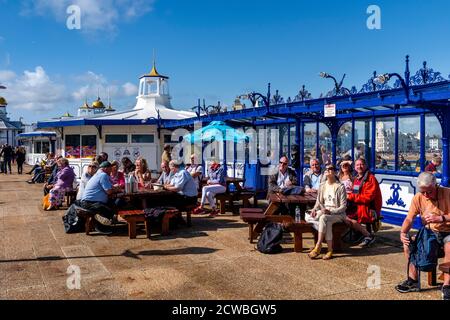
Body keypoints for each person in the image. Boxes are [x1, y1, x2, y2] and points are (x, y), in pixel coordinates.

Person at [395, 172, 450, 300]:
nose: (426, 195)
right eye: (423, 192)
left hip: (448, 231)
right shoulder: (418, 197)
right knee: (408, 243)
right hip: (430, 232)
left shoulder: (447, 193)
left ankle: (447, 285)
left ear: (436, 185)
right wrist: (403, 233)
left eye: (429, 192)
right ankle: (412, 280)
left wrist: (440, 218)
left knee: (449, 246)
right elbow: (409, 218)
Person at [306, 165, 347, 260]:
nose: (328, 170)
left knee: (323, 218)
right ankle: (330, 250)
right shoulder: (322, 185)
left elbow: (343, 207)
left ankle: (318, 245)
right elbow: (319, 201)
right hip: (325, 212)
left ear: (335, 172)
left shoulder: (340, 187)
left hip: (337, 214)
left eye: (331, 168)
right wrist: (314, 209)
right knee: (313, 218)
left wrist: (330, 211)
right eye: (326, 168)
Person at [345, 158, 382, 247]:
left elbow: (368, 198)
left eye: (361, 164)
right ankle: (359, 231)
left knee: (346, 216)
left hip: (369, 208)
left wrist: (350, 196)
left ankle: (368, 235)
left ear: (365, 166)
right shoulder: (357, 178)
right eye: (357, 165)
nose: (359, 167)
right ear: (354, 167)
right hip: (359, 205)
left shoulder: (370, 179)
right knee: (342, 213)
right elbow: (355, 193)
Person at [80, 161, 122, 227]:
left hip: (87, 202)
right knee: (111, 208)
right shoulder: (103, 175)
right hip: (91, 203)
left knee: (112, 204)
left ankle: (102, 222)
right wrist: (116, 189)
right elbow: (109, 191)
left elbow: (109, 187)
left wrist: (114, 188)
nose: (111, 171)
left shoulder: (97, 174)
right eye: (110, 169)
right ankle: (102, 226)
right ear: (105, 168)